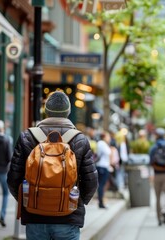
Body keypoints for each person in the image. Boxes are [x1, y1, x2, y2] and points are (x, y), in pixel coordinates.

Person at [7, 91, 98, 240]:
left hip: (35, 216)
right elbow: (91, 182)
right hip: (68, 217)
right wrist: (77, 202)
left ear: (46, 111)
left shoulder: (27, 137)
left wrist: (28, 199)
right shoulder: (80, 139)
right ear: (68, 112)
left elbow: (13, 178)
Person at [95, 131, 112, 208]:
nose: (109, 138)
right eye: (108, 136)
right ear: (104, 137)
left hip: (103, 166)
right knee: (101, 185)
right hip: (102, 166)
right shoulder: (102, 143)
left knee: (102, 184)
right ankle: (101, 202)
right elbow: (109, 152)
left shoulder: (101, 143)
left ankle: (101, 201)